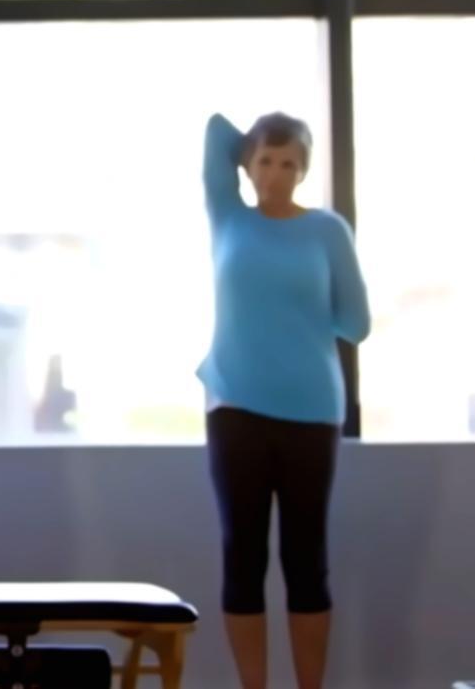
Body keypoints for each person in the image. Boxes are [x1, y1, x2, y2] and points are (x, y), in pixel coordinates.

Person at [200, 112, 369, 689]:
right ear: (247, 164)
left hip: (311, 411)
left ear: (305, 169)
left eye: (290, 162)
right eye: (266, 160)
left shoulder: (327, 230)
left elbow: (357, 322)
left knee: (306, 559)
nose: (276, 173)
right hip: (235, 408)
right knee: (242, 556)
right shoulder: (228, 217)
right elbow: (215, 131)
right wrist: (253, 147)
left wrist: (295, 317)